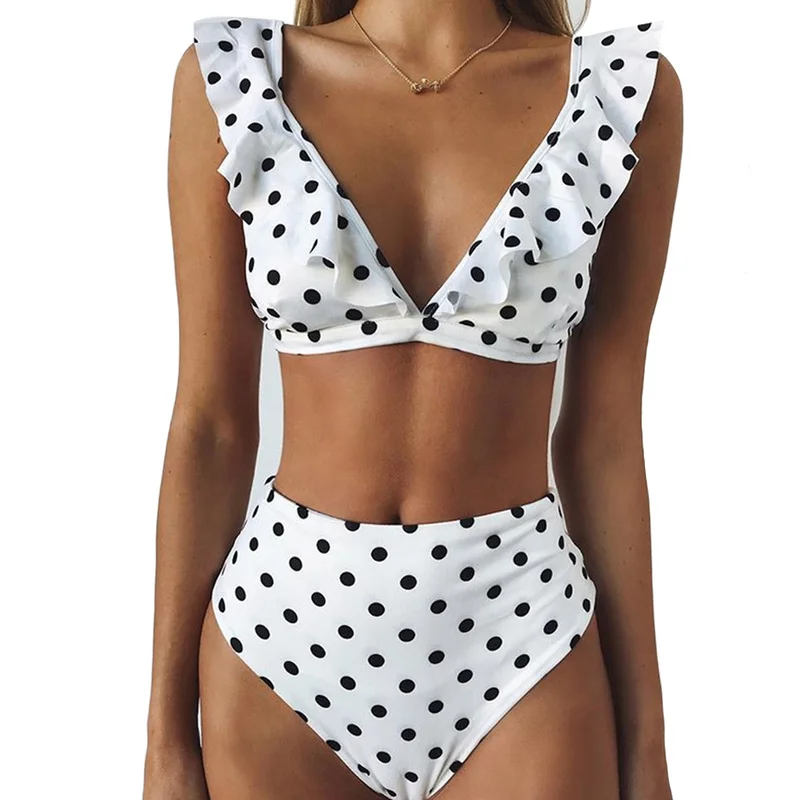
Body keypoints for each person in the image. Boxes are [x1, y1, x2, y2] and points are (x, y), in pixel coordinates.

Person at [143, 1, 682, 798]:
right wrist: (163, 738)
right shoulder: (236, 81)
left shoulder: (614, 91)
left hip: (522, 638)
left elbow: (603, 437)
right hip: (282, 644)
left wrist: (648, 744)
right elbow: (211, 426)